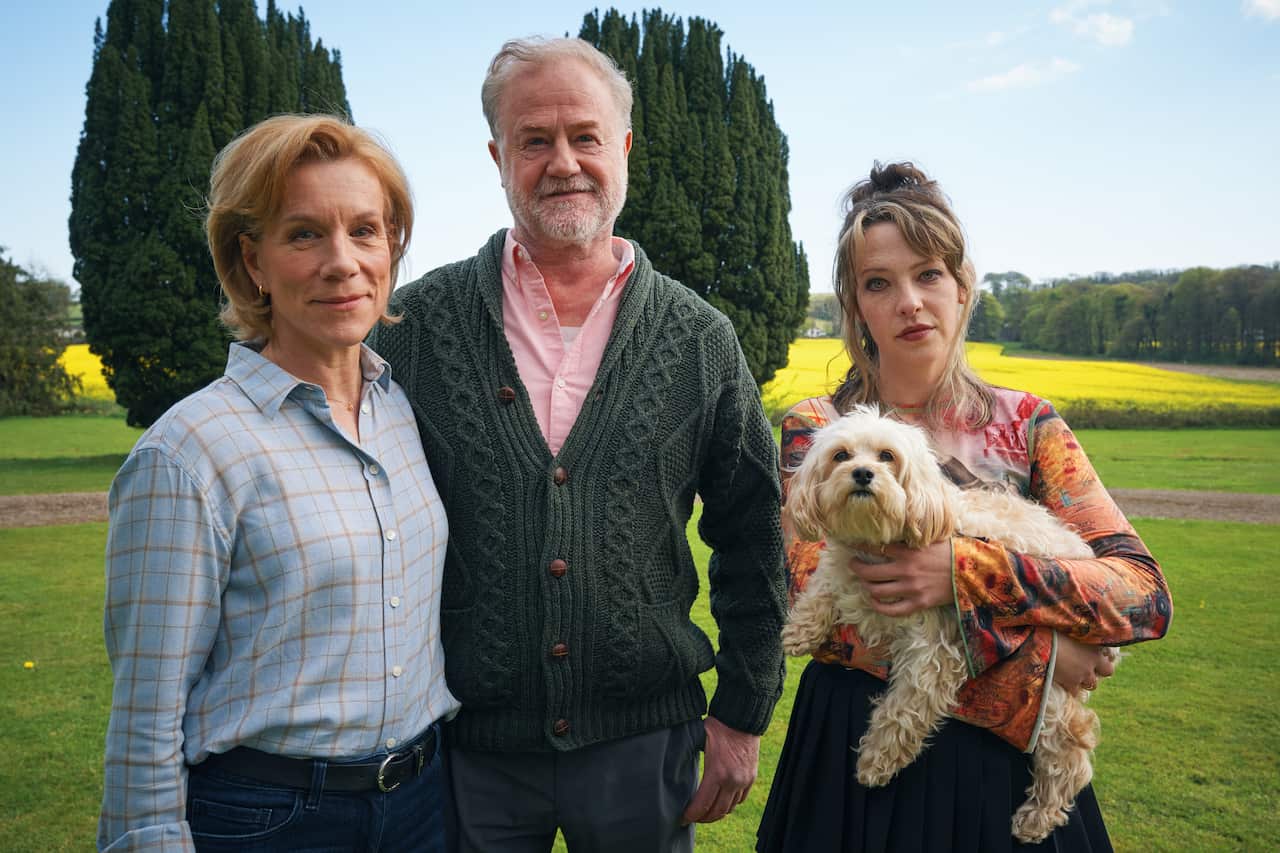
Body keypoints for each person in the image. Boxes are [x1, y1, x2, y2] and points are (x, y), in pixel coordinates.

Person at [367, 37, 786, 853]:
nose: (564, 162)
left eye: (585, 136)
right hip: (469, 749)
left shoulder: (700, 338)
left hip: (645, 746)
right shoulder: (415, 326)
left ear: (623, 146)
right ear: (498, 156)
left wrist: (741, 710)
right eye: (535, 140)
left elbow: (752, 532)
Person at [756, 162, 1172, 852]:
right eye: (878, 284)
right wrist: (1040, 659)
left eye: (929, 275)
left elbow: (1142, 597)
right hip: (850, 749)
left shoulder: (1031, 424)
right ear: (855, 306)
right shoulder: (817, 426)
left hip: (1000, 774)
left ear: (961, 286)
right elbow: (811, 599)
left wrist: (964, 567)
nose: (909, 302)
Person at [98, 114, 459, 852]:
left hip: (424, 802)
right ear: (251, 259)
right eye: (303, 234)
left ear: (392, 245)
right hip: (272, 820)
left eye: (365, 230)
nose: (342, 261)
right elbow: (145, 713)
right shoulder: (190, 450)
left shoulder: (401, 410)